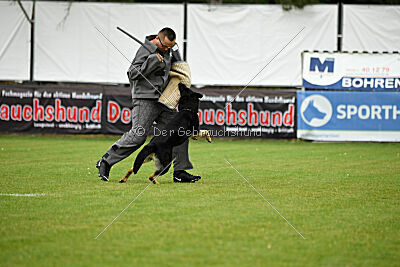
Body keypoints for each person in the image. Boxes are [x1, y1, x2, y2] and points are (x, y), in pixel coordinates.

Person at [96, 27, 201, 183]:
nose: (166, 49)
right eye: (164, 46)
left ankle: (180, 172)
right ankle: (106, 161)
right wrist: (152, 61)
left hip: (164, 100)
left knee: (180, 130)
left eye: (169, 47)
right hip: (145, 99)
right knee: (138, 136)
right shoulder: (145, 50)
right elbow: (132, 73)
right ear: (157, 38)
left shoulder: (168, 50)